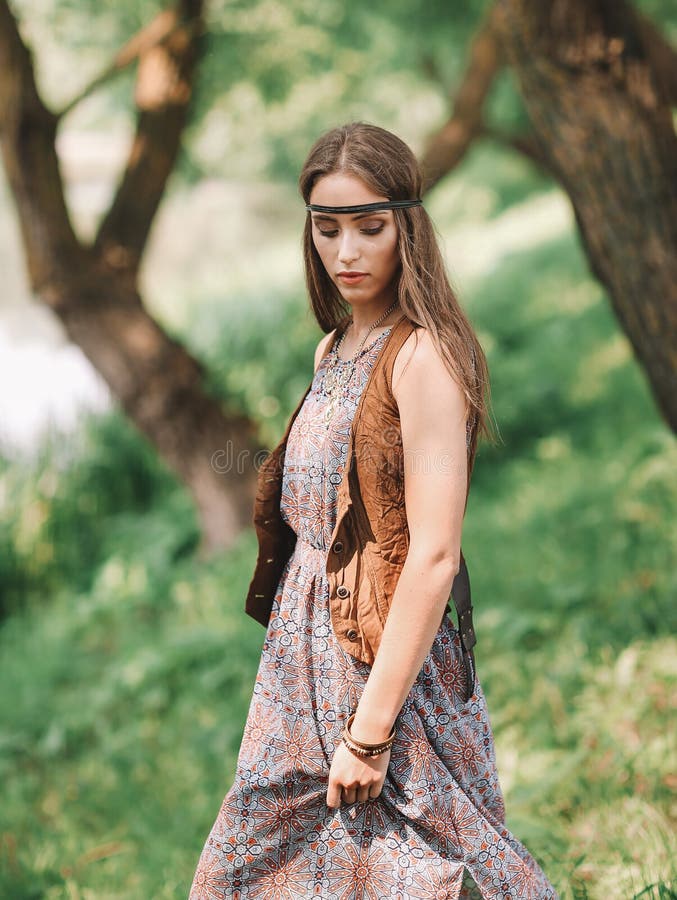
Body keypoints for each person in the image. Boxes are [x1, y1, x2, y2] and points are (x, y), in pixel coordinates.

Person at [189, 122, 559, 899]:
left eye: (369, 227)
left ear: (407, 227)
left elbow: (432, 554)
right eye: (327, 229)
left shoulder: (423, 357)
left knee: (432, 867)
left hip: (382, 667)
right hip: (296, 673)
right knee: (251, 873)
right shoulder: (334, 348)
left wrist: (370, 728)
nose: (346, 251)